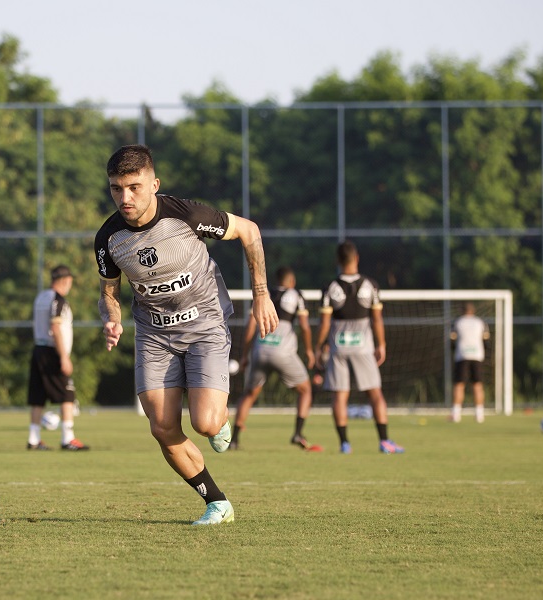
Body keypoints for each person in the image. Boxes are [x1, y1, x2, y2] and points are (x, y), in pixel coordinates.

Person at [95, 144, 278, 525]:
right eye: (116, 188)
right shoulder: (108, 239)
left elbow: (249, 230)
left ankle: (219, 421)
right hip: (153, 334)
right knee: (161, 427)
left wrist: (261, 295)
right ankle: (216, 502)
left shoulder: (187, 215)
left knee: (205, 423)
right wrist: (111, 318)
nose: (124, 198)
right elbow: (109, 293)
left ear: (154, 184)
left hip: (204, 325)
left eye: (134, 187)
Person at [314, 240, 402, 454]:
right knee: (375, 394)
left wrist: (318, 346)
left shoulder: (330, 287)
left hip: (338, 346)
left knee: (340, 396)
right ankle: (384, 441)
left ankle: (344, 443)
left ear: (338, 261)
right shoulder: (370, 285)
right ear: (357, 258)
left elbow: (325, 323)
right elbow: (377, 320)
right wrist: (381, 344)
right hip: (363, 345)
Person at [231, 266, 320, 452]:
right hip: (283, 352)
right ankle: (298, 433)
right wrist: (310, 351)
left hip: (260, 350)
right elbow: (304, 327)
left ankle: (235, 440)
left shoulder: (263, 295)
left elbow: (250, 328)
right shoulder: (296, 295)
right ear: (292, 282)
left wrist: (245, 355)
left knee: (249, 394)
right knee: (305, 390)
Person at [26, 265, 88, 451]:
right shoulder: (58, 300)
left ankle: (34, 439)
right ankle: (68, 438)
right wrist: (64, 357)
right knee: (67, 394)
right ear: (66, 280)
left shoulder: (41, 297)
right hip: (53, 351)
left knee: (38, 397)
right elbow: (55, 328)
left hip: (38, 348)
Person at [450, 302, 491, 423]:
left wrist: (455, 350)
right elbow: (486, 340)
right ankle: (479, 415)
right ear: (473, 311)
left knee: (459, 385)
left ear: (462, 311)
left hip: (462, 356)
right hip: (477, 356)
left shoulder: (457, 322)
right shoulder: (480, 322)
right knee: (477, 385)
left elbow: (452, 340)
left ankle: (456, 414)